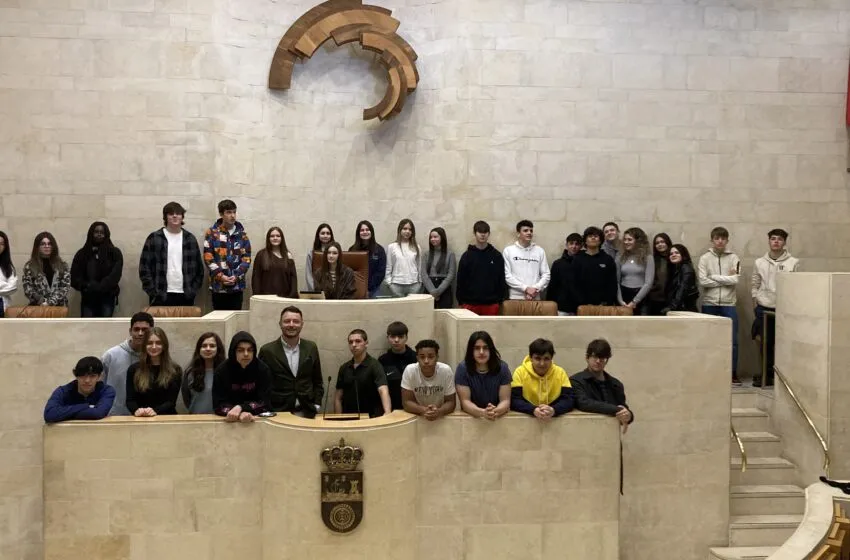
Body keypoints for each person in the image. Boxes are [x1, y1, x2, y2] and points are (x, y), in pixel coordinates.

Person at [751, 229, 799, 387]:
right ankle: (766, 374)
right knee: (765, 342)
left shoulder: (793, 262)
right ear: (769, 241)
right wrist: (755, 300)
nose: (776, 241)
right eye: (773, 239)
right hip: (764, 307)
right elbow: (755, 283)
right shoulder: (759, 262)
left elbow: (797, 286)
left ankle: (782, 376)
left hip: (784, 309)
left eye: (779, 239)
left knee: (783, 343)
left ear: (784, 242)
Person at [258, 306, 324, 416]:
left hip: (307, 410)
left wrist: (317, 403)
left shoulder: (311, 347)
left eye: (296, 321)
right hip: (279, 411)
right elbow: (261, 383)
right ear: (280, 324)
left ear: (302, 324)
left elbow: (317, 380)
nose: (291, 325)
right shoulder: (267, 350)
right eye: (287, 321)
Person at [698, 226, 742, 386]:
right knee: (709, 340)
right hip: (709, 304)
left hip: (729, 304)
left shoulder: (734, 257)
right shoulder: (704, 258)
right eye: (717, 238)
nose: (720, 241)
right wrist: (725, 278)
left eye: (723, 238)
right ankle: (711, 373)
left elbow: (735, 280)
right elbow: (703, 281)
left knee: (733, 341)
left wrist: (714, 277)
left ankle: (732, 373)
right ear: (712, 240)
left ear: (727, 240)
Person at [139, 201, 205, 306]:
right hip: (160, 293)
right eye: (170, 214)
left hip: (185, 293)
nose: (175, 216)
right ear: (165, 217)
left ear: (182, 217)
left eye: (178, 213)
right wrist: (152, 291)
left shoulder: (190, 239)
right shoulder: (154, 238)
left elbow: (199, 269)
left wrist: (193, 290)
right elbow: (144, 267)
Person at [570, 339, 634, 433]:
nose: (598, 361)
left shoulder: (616, 384)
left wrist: (629, 415)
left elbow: (623, 408)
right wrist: (617, 409)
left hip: (611, 437)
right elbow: (584, 403)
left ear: (607, 360)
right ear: (587, 358)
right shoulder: (576, 381)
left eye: (602, 358)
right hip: (584, 434)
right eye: (594, 357)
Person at [102, 312, 154, 415]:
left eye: (144, 330)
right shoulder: (111, 355)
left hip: (145, 416)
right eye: (136, 329)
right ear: (130, 331)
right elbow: (99, 386)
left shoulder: (155, 356)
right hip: (115, 416)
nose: (140, 333)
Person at [203, 199, 252, 310]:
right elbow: (208, 258)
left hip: (237, 286)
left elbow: (246, 258)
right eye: (229, 212)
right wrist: (221, 276)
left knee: (235, 321)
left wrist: (236, 275)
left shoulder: (242, 234)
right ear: (221, 214)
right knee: (219, 321)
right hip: (218, 286)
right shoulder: (212, 233)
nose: (232, 216)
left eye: (234, 212)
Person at [213, 331, 272, 422]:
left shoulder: (263, 370)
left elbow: (265, 403)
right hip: (228, 420)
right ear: (233, 352)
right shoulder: (221, 371)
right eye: (240, 350)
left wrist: (242, 408)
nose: (246, 354)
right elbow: (218, 405)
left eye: (249, 350)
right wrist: (238, 413)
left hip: (256, 420)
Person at [510, 338, 574, 419]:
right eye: (537, 358)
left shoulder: (560, 372)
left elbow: (569, 400)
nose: (542, 363)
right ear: (530, 358)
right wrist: (532, 410)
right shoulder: (520, 372)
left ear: (551, 358)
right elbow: (514, 400)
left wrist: (554, 410)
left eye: (546, 359)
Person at [70, 221, 123, 317]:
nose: (99, 234)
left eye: (102, 232)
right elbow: (74, 277)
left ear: (106, 234)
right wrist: (87, 286)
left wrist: (101, 286)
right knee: (87, 328)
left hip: (107, 297)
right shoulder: (82, 254)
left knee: (105, 327)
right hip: (88, 297)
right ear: (91, 234)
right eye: (96, 232)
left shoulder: (114, 253)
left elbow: (115, 274)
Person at [125, 327, 182, 417]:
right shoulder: (134, 369)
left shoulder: (175, 370)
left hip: (167, 419)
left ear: (164, 345)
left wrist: (155, 411)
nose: (154, 347)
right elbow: (130, 400)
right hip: (141, 418)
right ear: (144, 345)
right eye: (150, 343)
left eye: (158, 343)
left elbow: (171, 402)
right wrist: (136, 410)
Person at [334, 329, 391, 417]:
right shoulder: (344, 368)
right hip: (348, 418)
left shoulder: (375, 365)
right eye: (351, 342)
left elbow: (383, 390)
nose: (354, 345)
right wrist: (338, 418)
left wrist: (387, 413)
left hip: (371, 417)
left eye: (358, 341)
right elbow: (338, 397)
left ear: (366, 343)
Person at [455, 331, 511, 420]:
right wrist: (483, 413)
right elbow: (465, 402)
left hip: (498, 417)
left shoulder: (502, 368)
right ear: (471, 350)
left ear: (491, 350)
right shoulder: (463, 369)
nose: (481, 352)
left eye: (485, 348)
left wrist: (495, 411)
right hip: (472, 418)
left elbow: (505, 400)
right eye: (477, 348)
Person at [43, 356, 115, 423]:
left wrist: (64, 413)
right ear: (76, 375)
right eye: (83, 375)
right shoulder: (62, 391)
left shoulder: (107, 391)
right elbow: (49, 414)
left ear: (99, 377)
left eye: (92, 376)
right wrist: (86, 406)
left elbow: (98, 413)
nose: (87, 380)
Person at [456, 220, 505, 316]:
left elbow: (501, 279)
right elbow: (460, 280)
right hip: (469, 304)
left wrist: (499, 300)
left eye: (485, 232)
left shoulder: (496, 256)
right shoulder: (466, 256)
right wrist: (461, 301)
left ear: (489, 234)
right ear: (475, 233)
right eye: (480, 232)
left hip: (491, 304)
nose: (483, 235)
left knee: (490, 330)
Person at [401, 340, 456, 420]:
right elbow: (406, 402)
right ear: (417, 358)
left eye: (430, 356)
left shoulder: (446, 371)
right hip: (418, 417)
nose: (426, 361)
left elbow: (451, 402)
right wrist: (423, 410)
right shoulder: (410, 371)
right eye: (422, 357)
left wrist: (439, 412)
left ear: (437, 357)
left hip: (440, 417)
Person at [570, 226, 618, 310]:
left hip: (603, 306)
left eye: (596, 236)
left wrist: (606, 302)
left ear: (600, 240)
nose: (593, 237)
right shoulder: (577, 259)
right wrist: (582, 302)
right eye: (590, 236)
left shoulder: (607, 259)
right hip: (582, 306)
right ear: (585, 240)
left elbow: (612, 283)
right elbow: (573, 283)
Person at [503, 219, 550, 301]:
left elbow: (546, 274)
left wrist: (535, 289)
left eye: (531, 231)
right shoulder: (508, 251)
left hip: (535, 297)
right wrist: (525, 288)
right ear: (518, 234)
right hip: (515, 298)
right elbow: (507, 275)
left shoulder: (539, 251)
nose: (529, 233)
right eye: (525, 230)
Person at [22, 232, 71, 307]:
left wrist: (50, 302)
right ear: (37, 247)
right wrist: (41, 301)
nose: (47, 246)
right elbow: (28, 289)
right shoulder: (30, 266)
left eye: (49, 244)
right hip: (39, 307)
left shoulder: (62, 266)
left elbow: (65, 287)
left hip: (59, 307)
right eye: (43, 244)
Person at [181, 332, 225, 414]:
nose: (208, 349)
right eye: (204, 346)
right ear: (199, 349)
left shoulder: (225, 372)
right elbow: (187, 399)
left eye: (212, 346)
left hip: (221, 420)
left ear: (218, 349)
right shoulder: (190, 373)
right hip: (196, 420)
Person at [378, 321, 417, 411]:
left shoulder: (416, 358)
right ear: (387, 338)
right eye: (392, 337)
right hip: (391, 409)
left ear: (406, 338)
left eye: (400, 337)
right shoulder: (382, 360)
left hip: (415, 408)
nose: (396, 340)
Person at [251, 226, 298, 298]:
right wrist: (257, 297)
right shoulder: (261, 255)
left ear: (282, 238)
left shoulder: (288, 255)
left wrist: (291, 296)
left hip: (285, 298)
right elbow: (256, 278)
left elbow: (293, 278)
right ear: (268, 239)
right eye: (272, 236)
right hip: (266, 298)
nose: (275, 238)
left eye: (278, 236)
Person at [616, 227, 654, 315]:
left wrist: (635, 301)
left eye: (629, 239)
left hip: (641, 296)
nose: (626, 242)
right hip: (624, 295)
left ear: (638, 241)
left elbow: (648, 282)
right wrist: (620, 300)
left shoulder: (648, 257)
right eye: (624, 239)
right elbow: (616, 281)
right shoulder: (620, 256)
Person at [548, 232, 582, 316]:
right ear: (566, 245)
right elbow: (552, 286)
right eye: (571, 243)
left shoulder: (584, 262)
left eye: (577, 244)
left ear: (581, 246)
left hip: (581, 307)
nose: (574, 246)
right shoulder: (558, 263)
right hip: (561, 307)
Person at [349, 220, 386, 298]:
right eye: (362, 230)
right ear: (358, 233)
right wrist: (360, 287)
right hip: (356, 288)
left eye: (367, 230)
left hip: (374, 289)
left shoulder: (379, 250)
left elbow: (380, 272)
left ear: (371, 232)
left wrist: (368, 288)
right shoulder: (352, 250)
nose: (365, 232)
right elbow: (350, 270)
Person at [421, 227, 456, 309]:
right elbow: (423, 274)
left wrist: (438, 292)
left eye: (435, 237)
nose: (433, 239)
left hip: (444, 289)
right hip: (429, 288)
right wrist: (432, 291)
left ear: (442, 238)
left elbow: (451, 275)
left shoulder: (450, 254)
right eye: (431, 237)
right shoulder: (426, 254)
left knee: (445, 317)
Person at [385, 219, 421, 297]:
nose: (407, 231)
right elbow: (388, 267)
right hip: (396, 285)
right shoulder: (392, 247)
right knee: (398, 309)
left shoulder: (416, 247)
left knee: (412, 309)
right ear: (400, 230)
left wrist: (420, 283)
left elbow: (419, 266)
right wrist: (389, 283)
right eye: (405, 228)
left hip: (414, 285)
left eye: (410, 229)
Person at [662, 244, 699, 314]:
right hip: (678, 309)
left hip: (685, 310)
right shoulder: (675, 269)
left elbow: (683, 289)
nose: (673, 255)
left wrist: (672, 306)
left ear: (683, 254)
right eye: (671, 254)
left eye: (677, 253)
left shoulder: (686, 268)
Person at [647, 233, 672, 316]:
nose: (660, 244)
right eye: (657, 243)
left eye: (662, 242)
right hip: (655, 300)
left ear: (667, 243)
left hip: (671, 300)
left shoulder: (674, 258)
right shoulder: (653, 260)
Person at [305, 223, 334, 292]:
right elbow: (308, 275)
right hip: (314, 292)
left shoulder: (336, 253)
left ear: (331, 235)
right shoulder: (311, 254)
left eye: (328, 233)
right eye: (323, 233)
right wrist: (317, 291)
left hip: (332, 292)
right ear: (318, 235)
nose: (325, 236)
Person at [0, 231, 17, 318]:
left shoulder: (8, 266)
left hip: (2, 305)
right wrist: (4, 285)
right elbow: (7, 286)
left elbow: (13, 287)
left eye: (2, 244)